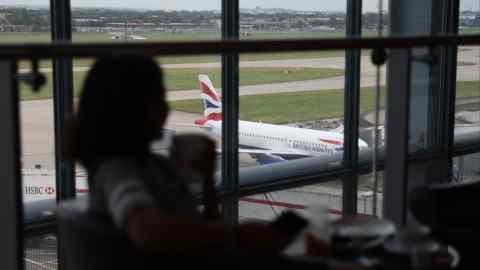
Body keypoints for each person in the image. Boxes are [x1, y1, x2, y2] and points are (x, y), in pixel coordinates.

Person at [64, 56, 296, 259]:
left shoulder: (152, 165)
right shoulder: (116, 171)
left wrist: (206, 179)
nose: (167, 109)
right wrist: (238, 234)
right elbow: (146, 232)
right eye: (159, 100)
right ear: (130, 111)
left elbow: (201, 228)